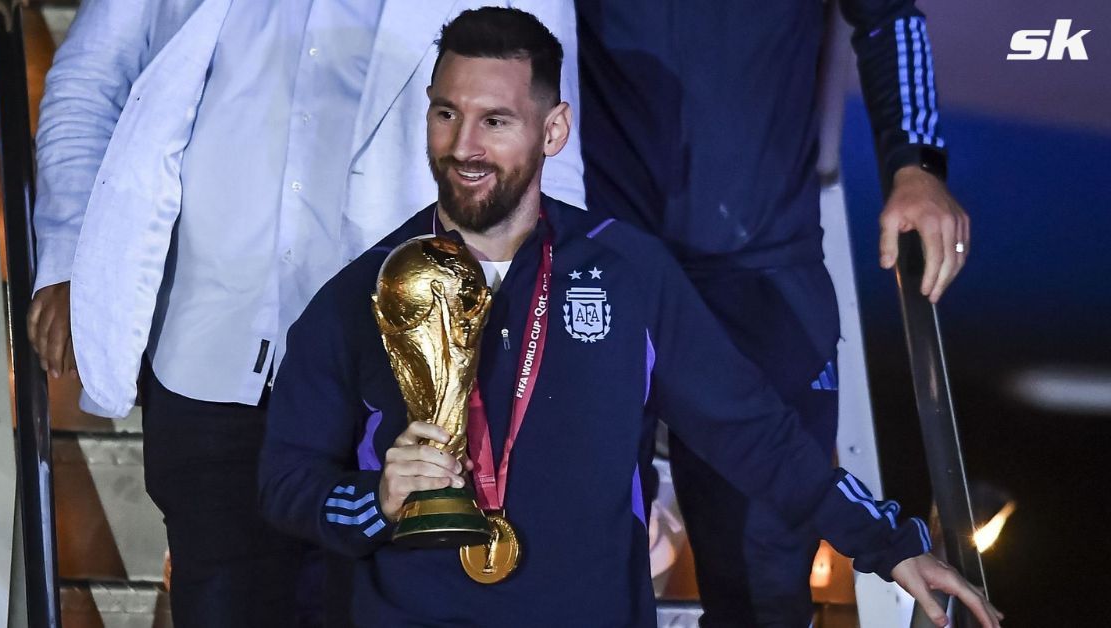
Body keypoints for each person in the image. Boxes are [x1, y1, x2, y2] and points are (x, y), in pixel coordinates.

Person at [259, 8, 1001, 627]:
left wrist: (890, 544)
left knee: (756, 570)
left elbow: (760, 439)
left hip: (746, 267)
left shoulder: (624, 275)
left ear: (551, 130)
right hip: (417, 604)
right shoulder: (370, 289)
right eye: (447, 115)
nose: (464, 145)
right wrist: (375, 501)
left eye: (494, 120)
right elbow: (288, 481)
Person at [25, 0, 583, 624]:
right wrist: (76, 250)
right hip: (209, 357)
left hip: (395, 389)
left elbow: (548, 168)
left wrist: (531, 386)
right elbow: (88, 78)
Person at [575, 2, 971, 624]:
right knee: (585, 571)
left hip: (762, 278)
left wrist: (917, 164)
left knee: (762, 588)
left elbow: (889, 15)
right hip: (606, 271)